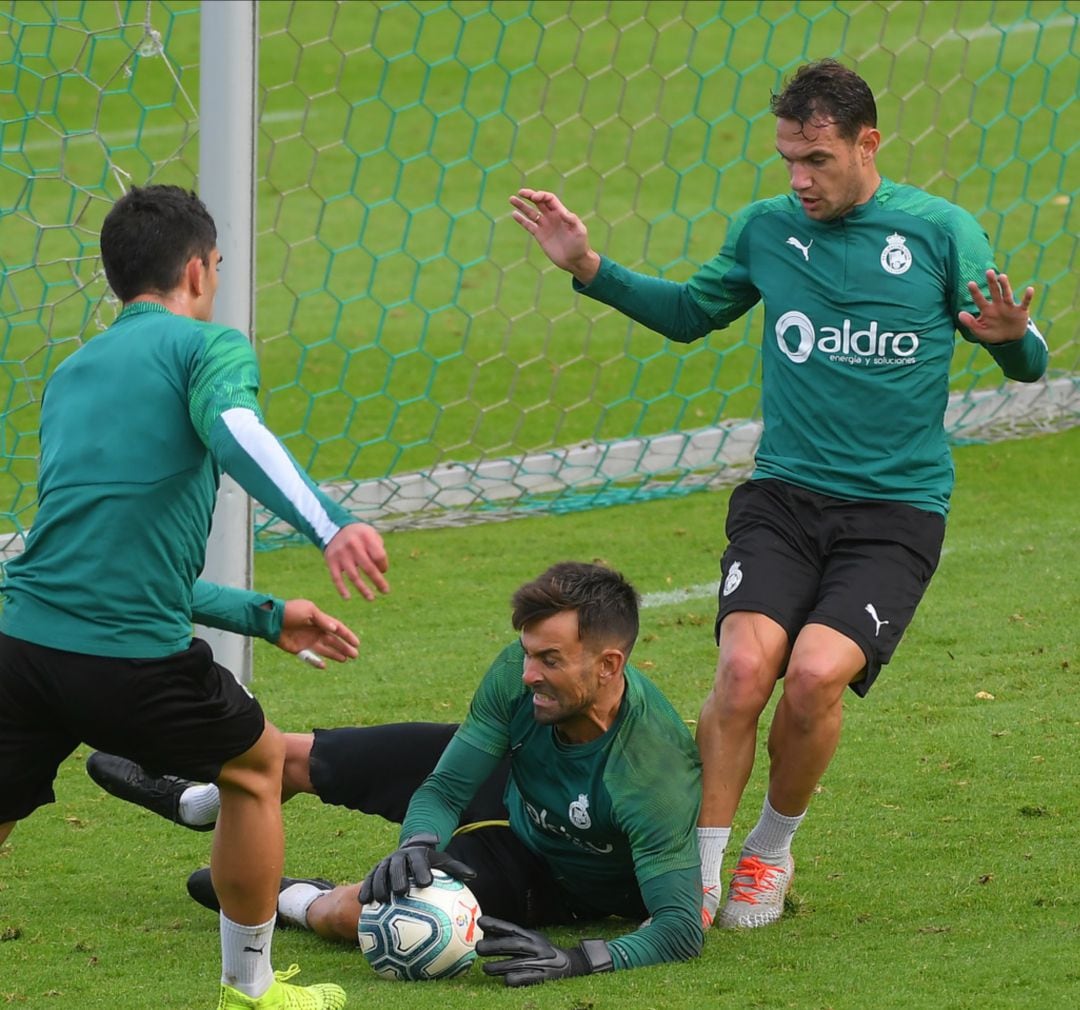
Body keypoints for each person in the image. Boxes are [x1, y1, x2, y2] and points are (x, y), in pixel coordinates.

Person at [507, 59, 1048, 930]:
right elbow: (690, 314)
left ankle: (770, 848)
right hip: (784, 499)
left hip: (894, 513)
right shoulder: (766, 230)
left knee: (811, 680)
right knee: (743, 668)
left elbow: (1026, 357)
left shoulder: (943, 234)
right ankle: (706, 865)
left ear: (868, 145)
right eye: (788, 159)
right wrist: (589, 265)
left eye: (818, 160)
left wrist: (1015, 343)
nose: (799, 179)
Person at [0, 184, 391, 1009]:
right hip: (128, 660)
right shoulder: (207, 348)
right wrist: (330, 525)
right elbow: (236, 430)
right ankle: (250, 990)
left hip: (21, 646)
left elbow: (103, 559)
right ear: (197, 270)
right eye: (216, 263)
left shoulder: (71, 374)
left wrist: (261, 614)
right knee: (253, 770)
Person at [87, 562, 705, 987]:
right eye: (526, 654)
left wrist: (578, 960)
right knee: (300, 756)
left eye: (549, 660)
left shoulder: (651, 774)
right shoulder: (524, 682)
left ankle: (287, 897)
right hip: (517, 782)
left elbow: (679, 928)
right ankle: (203, 801)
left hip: (556, 875)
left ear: (609, 665)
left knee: (357, 918)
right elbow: (442, 787)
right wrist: (417, 842)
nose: (527, 674)